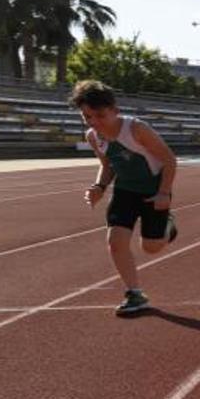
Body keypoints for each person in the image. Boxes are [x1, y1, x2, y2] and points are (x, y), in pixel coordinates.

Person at [73, 80, 179, 315]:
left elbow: (170, 160)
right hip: (125, 191)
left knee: (151, 247)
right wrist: (99, 186)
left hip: (154, 190)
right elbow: (107, 164)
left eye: (100, 115)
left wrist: (163, 193)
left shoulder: (136, 129)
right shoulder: (93, 136)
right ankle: (134, 293)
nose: (94, 122)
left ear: (115, 110)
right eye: (87, 116)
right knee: (115, 241)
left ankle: (168, 226)